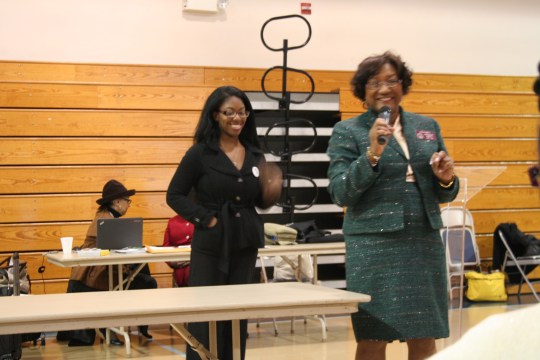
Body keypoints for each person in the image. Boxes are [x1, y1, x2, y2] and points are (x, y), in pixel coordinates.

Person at [326, 51, 460, 360]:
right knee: (374, 336)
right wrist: (371, 154)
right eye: (375, 82)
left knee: (425, 334)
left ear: (403, 86)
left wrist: (444, 179)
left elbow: (444, 191)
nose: (384, 89)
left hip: (422, 241)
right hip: (373, 246)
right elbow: (340, 193)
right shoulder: (348, 131)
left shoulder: (427, 126)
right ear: (363, 91)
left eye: (392, 81)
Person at [166, 85, 282, 360]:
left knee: (236, 315)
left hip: (244, 242)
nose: (237, 118)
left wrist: (271, 191)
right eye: (229, 112)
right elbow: (174, 195)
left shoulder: (255, 154)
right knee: (204, 315)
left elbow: (259, 202)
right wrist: (206, 219)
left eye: (242, 112)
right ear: (215, 115)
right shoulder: (200, 154)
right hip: (211, 242)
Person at [67, 179, 156, 344]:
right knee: (146, 282)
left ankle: (117, 327)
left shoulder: (108, 218)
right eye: (127, 200)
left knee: (145, 280)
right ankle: (112, 327)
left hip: (104, 271)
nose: (129, 204)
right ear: (116, 202)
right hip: (96, 274)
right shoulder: (104, 220)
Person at [162, 214, 194, 287]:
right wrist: (171, 262)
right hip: (179, 277)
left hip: (199, 271)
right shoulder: (172, 221)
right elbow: (166, 247)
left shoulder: (203, 219)